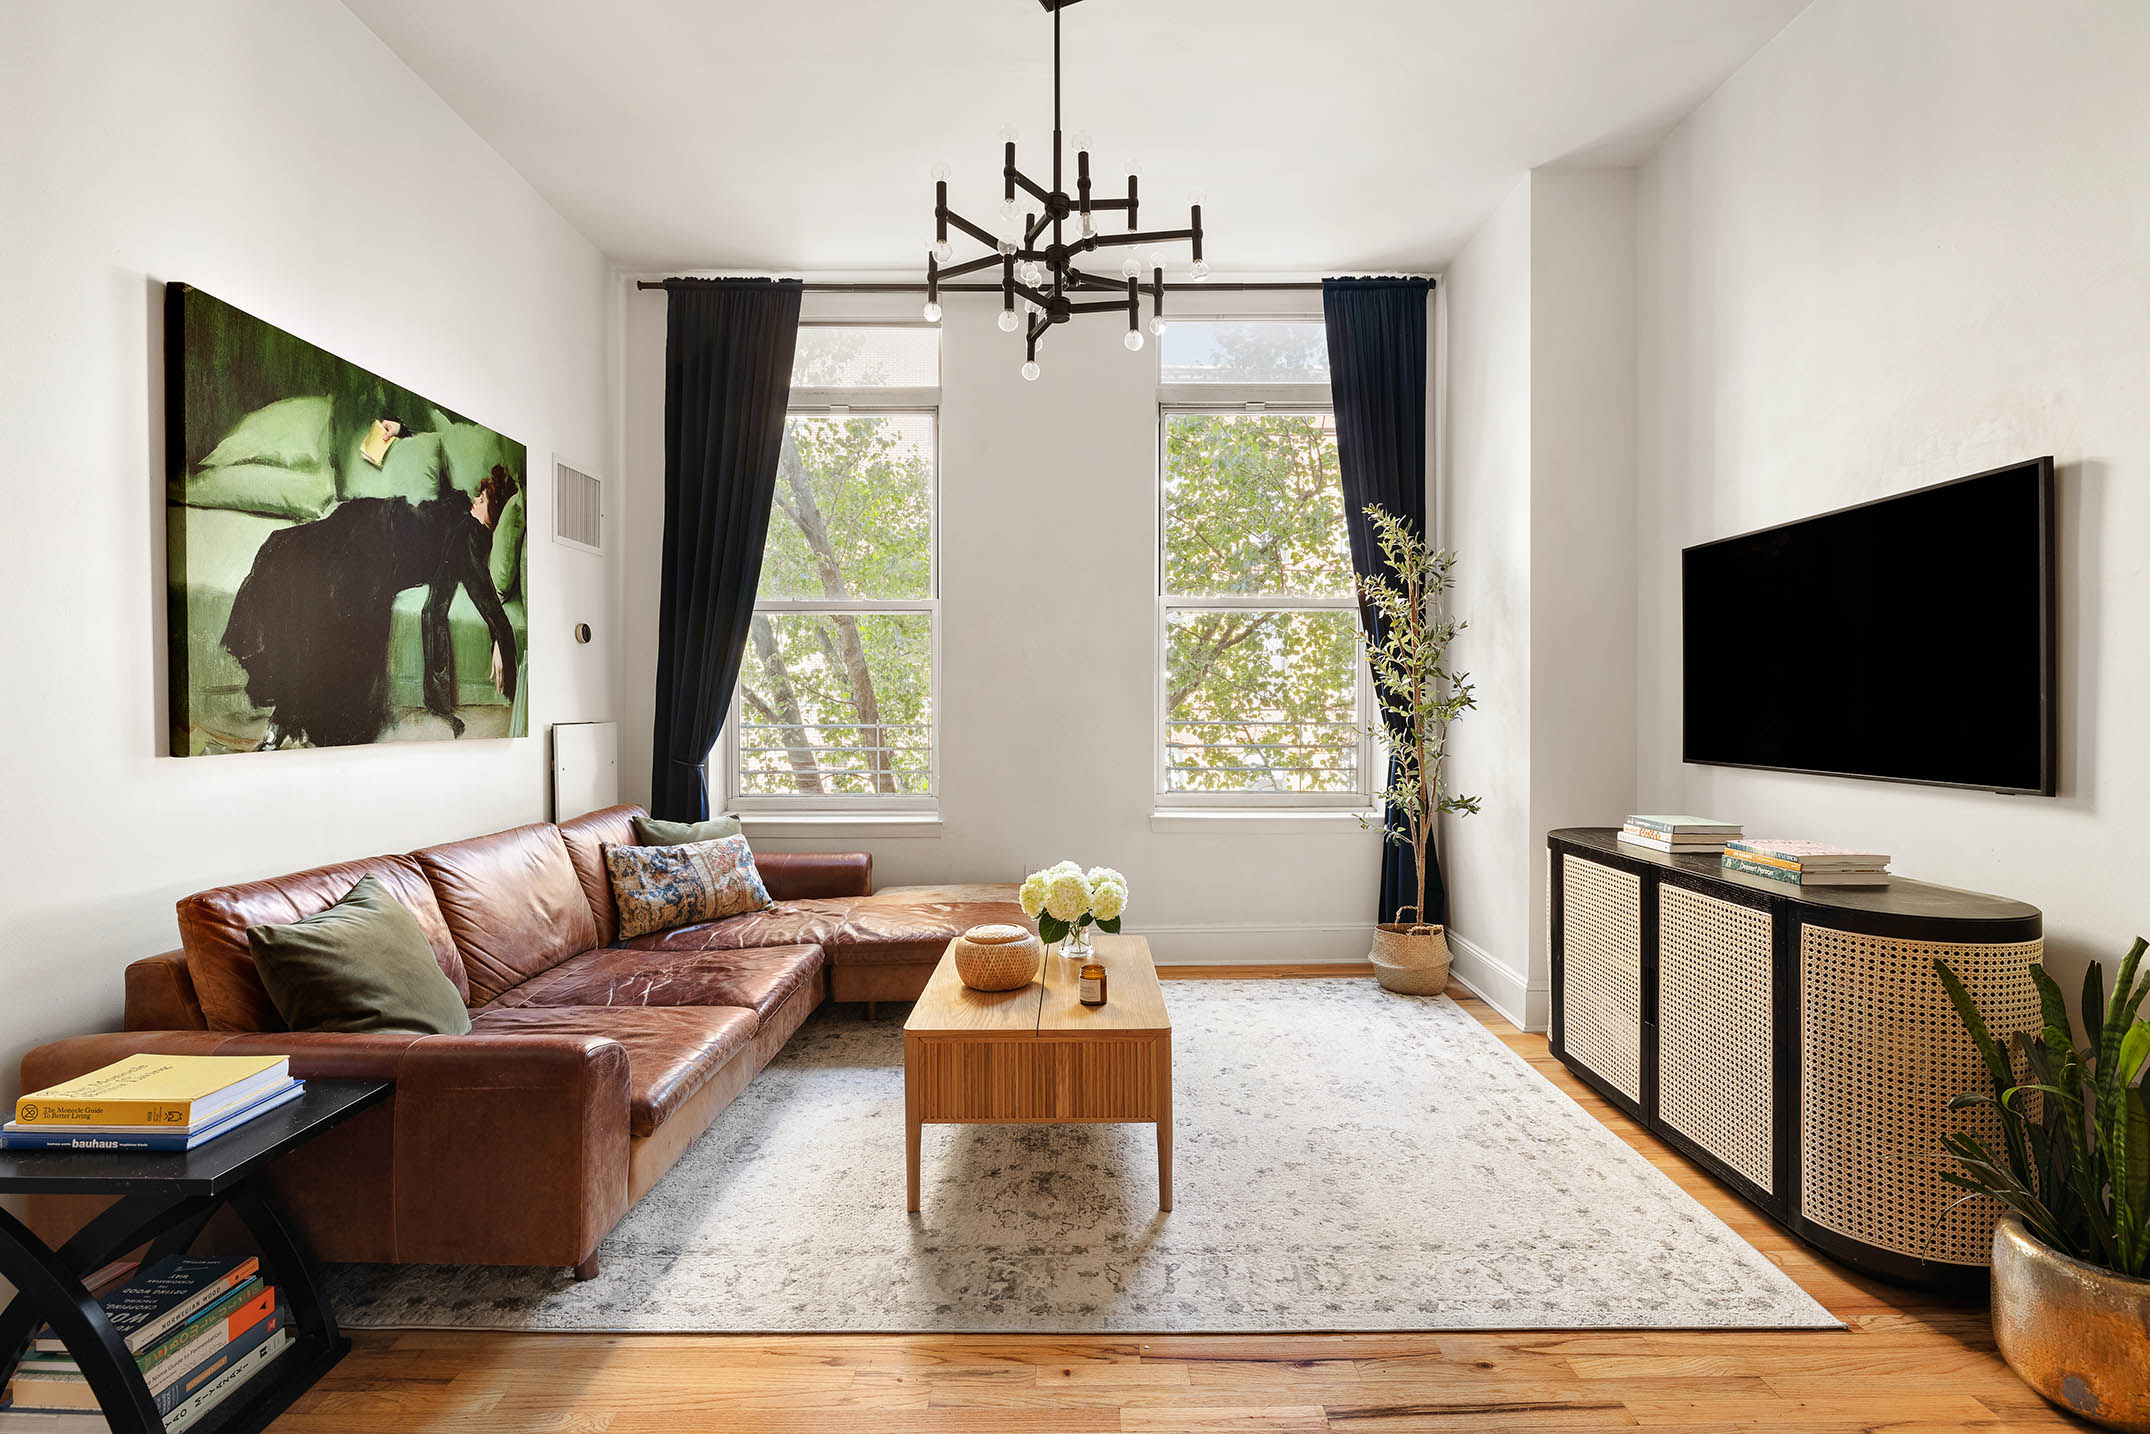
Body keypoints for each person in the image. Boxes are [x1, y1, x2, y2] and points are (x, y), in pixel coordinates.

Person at [223, 469, 521, 749]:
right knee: (284, 546)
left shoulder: (470, 537)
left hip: (378, 544)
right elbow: (436, 479)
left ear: (491, 518)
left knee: (321, 585)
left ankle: (288, 713)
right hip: (368, 521)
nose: (474, 500)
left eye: (481, 501)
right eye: (477, 495)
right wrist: (400, 431)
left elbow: (486, 600)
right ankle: (288, 713)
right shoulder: (460, 511)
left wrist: (500, 640)